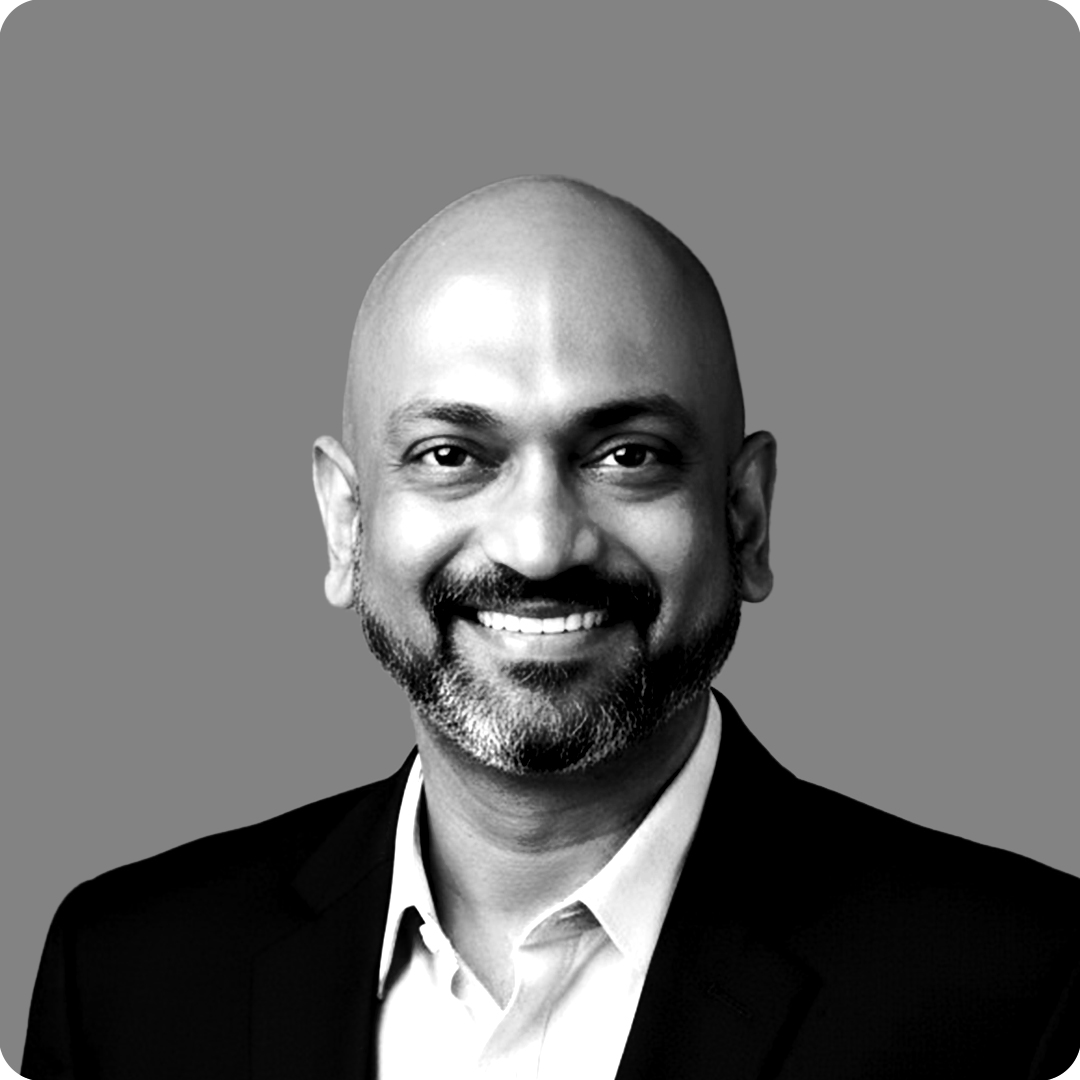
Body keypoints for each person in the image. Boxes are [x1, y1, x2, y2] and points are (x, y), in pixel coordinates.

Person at [22, 177, 1079, 1080]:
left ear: (746, 519)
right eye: (452, 456)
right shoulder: (120, 979)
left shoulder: (1033, 990)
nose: (537, 546)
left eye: (627, 456)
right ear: (347, 525)